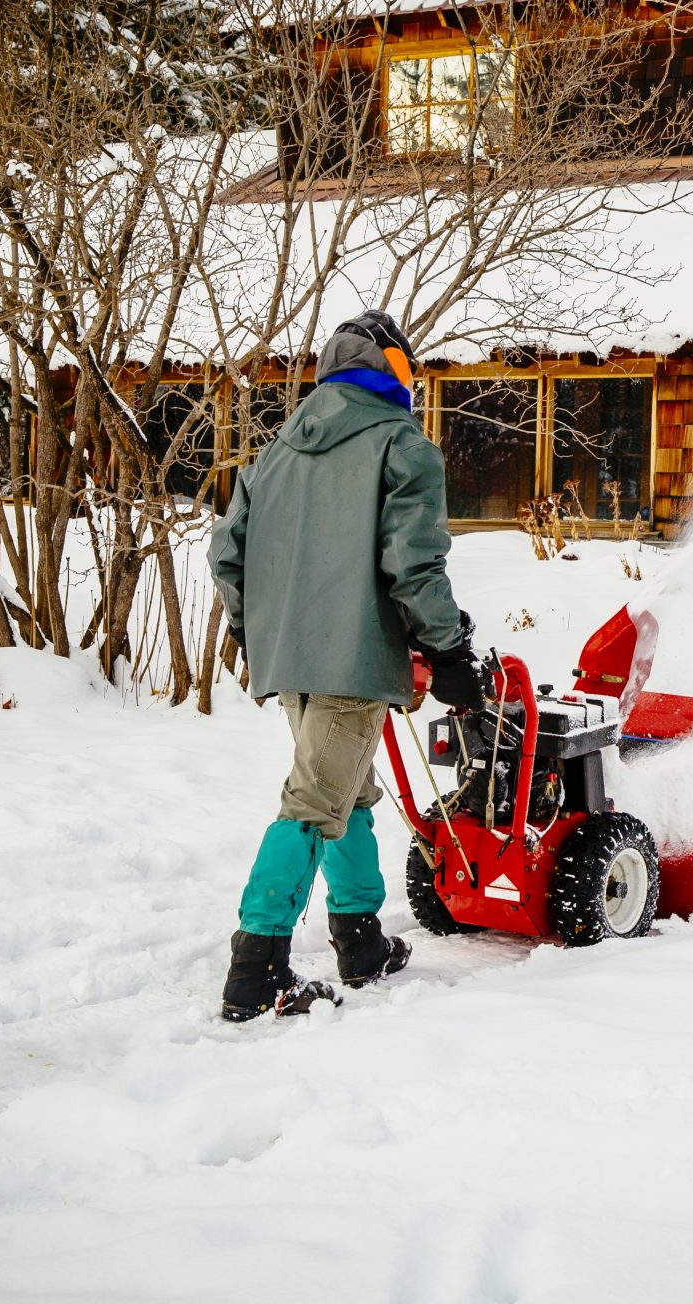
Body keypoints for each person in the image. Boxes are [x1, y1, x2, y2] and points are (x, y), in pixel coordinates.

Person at [206, 310, 489, 1021]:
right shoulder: (402, 445)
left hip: (289, 657)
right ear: (396, 372)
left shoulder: (277, 452)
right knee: (313, 802)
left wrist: (253, 631)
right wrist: (449, 649)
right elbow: (413, 565)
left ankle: (360, 940)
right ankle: (256, 969)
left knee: (350, 790)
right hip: (354, 660)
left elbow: (227, 554)